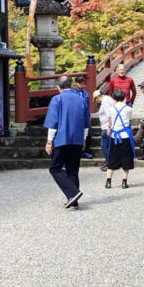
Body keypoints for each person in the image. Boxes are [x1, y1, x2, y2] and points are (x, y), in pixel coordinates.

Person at [44, 75, 91, 208]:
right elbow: (86, 123)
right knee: (73, 169)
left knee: (55, 168)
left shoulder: (57, 99)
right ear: (72, 85)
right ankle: (73, 199)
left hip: (62, 139)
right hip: (77, 139)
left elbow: (53, 123)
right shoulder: (81, 100)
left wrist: (49, 141)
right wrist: (84, 139)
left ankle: (73, 193)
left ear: (58, 87)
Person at [105, 89, 134, 189]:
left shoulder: (111, 109)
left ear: (114, 98)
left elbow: (109, 121)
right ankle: (124, 182)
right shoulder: (128, 109)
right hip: (125, 136)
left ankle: (108, 182)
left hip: (114, 137)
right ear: (124, 98)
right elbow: (129, 119)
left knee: (112, 159)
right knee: (126, 159)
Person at [73, 75, 95, 159]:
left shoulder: (85, 92)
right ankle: (77, 152)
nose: (81, 84)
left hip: (85, 115)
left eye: (82, 82)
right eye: (79, 82)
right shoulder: (73, 92)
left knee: (88, 134)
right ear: (75, 83)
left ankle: (85, 151)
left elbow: (88, 105)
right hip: (76, 116)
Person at [93, 88, 115, 171]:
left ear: (98, 97)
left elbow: (109, 115)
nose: (96, 102)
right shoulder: (109, 98)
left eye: (95, 100)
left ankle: (109, 163)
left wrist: (109, 127)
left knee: (104, 145)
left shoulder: (105, 102)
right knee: (109, 145)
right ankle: (111, 162)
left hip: (107, 127)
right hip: (110, 126)